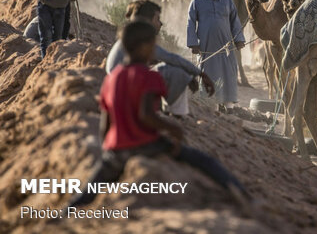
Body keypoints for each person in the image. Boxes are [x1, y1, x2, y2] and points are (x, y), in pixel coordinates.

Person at [69, 21, 248, 207]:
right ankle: (241, 193)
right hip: (145, 145)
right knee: (204, 161)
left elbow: (105, 123)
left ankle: (66, 212)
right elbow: (146, 114)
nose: (155, 49)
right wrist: (173, 129)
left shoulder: (111, 78)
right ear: (144, 47)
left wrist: (109, 150)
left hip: (116, 148)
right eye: (153, 45)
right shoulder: (149, 77)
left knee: (91, 189)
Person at [106, 0, 215, 115]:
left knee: (172, 70)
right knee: (177, 74)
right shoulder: (140, 38)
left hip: (124, 82)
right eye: (157, 19)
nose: (160, 23)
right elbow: (171, 58)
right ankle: (174, 113)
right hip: (127, 88)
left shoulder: (132, 36)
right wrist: (200, 74)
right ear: (148, 20)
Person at [187, 0, 245, 113]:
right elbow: (190, 22)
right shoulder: (196, 1)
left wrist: (239, 39)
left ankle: (229, 107)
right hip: (206, 47)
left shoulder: (227, 1)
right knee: (208, 75)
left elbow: (235, 21)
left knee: (228, 75)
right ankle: (211, 108)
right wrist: (193, 43)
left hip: (226, 48)